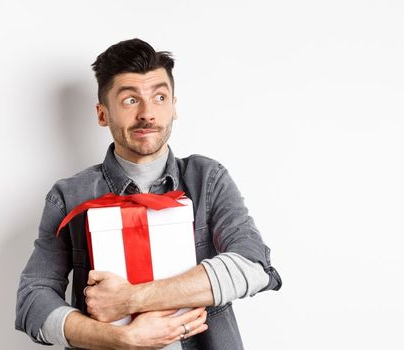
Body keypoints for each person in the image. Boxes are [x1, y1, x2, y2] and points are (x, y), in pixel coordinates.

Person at [15, 38, 282, 349]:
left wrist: (129, 299)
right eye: (130, 100)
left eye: (159, 97)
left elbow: (254, 266)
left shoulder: (206, 179)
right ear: (103, 114)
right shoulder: (69, 195)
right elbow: (32, 302)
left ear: (173, 107)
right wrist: (120, 338)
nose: (147, 113)